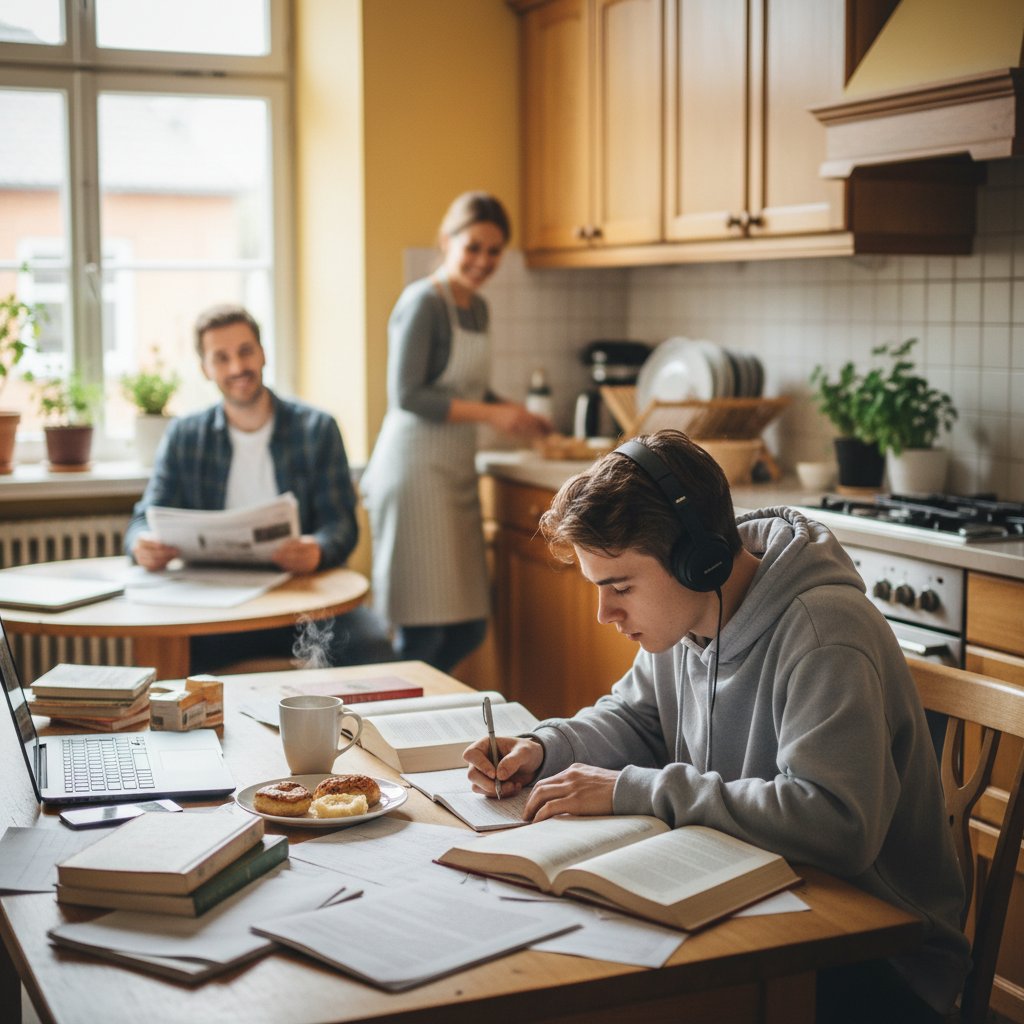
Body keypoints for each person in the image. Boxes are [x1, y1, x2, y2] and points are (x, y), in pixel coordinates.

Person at [463, 429, 969, 1023]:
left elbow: (836, 824)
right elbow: (636, 715)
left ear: (697, 559)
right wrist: (545, 748)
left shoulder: (824, 632)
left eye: (620, 587)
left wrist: (634, 789)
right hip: (763, 892)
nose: (605, 615)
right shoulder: (684, 620)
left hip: (876, 952)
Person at [124, 304, 393, 672]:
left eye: (246, 351)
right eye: (222, 358)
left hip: (303, 603)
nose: (237, 368)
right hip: (215, 608)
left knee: (372, 647)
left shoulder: (317, 429)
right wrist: (142, 545)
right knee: (166, 660)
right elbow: (143, 518)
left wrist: (317, 548)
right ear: (205, 368)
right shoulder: (185, 436)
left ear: (263, 352)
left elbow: (342, 526)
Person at [361, 192, 551, 672]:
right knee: (422, 627)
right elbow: (409, 395)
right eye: (474, 247)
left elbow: (467, 386)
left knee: (468, 625)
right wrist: (492, 417)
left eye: (494, 251)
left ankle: (419, 705)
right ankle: (399, 723)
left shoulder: (479, 309)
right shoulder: (423, 302)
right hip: (414, 475)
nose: (483, 261)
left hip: (453, 472)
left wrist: (511, 411)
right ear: (447, 241)